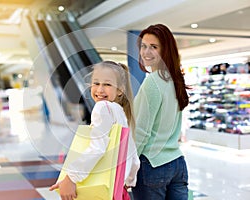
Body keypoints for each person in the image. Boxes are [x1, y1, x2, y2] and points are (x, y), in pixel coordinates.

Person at [49, 61, 140, 200]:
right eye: (96, 83)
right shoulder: (121, 112)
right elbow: (134, 158)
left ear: (120, 90)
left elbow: (97, 148)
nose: (100, 90)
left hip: (101, 192)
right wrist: (129, 181)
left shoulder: (102, 107)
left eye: (107, 84)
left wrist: (71, 177)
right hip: (118, 191)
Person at [132, 24, 190, 200]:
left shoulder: (153, 82)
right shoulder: (175, 80)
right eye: (143, 46)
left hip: (152, 164)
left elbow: (141, 130)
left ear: (165, 50)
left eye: (154, 47)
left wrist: (129, 165)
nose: (146, 52)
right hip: (177, 163)